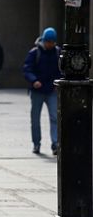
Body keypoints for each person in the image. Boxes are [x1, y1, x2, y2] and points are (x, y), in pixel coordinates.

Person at [22, 27, 62, 155]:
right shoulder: (34, 53)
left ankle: (55, 144)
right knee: (35, 119)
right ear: (43, 40)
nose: (50, 44)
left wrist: (58, 82)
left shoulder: (57, 53)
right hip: (37, 90)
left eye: (52, 42)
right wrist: (34, 81)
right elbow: (27, 69)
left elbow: (62, 71)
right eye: (48, 41)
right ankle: (36, 143)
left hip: (52, 90)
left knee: (55, 117)